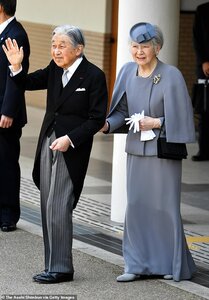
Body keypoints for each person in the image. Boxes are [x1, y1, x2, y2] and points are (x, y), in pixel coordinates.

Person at [3, 25, 108, 283]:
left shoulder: (93, 75)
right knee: (46, 204)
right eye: (54, 45)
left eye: (62, 45)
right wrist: (16, 67)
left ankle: (61, 268)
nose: (56, 50)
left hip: (71, 147)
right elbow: (27, 83)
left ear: (79, 49)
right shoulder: (54, 69)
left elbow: (97, 119)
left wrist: (70, 139)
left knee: (58, 205)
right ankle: (52, 263)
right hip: (48, 140)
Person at [101, 22, 196, 282]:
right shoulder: (127, 71)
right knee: (137, 207)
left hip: (162, 153)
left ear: (157, 48)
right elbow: (121, 112)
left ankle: (169, 264)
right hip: (136, 152)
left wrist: (157, 123)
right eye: (134, 46)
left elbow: (183, 116)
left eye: (144, 46)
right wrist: (108, 124)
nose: (138, 51)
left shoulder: (171, 74)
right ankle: (136, 264)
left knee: (164, 209)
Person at [0, 0, 30, 232]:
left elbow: (16, 74)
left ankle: (8, 215)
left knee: (7, 162)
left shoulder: (16, 34)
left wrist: (9, 110)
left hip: (5, 113)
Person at [192, 2, 209, 161]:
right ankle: (203, 150)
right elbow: (197, 38)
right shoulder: (202, 10)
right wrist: (204, 60)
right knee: (205, 110)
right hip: (206, 68)